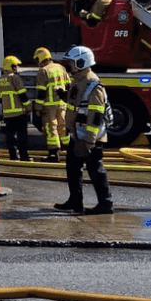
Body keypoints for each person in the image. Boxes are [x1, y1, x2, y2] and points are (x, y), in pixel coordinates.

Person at [54, 45, 113, 215]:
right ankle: (75, 201)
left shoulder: (93, 84)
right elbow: (77, 103)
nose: (69, 66)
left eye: (71, 63)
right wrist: (64, 95)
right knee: (73, 168)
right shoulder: (78, 81)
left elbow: (96, 115)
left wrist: (89, 140)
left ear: (81, 63)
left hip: (89, 138)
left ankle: (105, 204)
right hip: (77, 135)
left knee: (96, 170)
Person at [32, 47, 71, 162]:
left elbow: (41, 92)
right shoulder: (61, 67)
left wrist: (38, 108)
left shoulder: (43, 71)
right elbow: (69, 85)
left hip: (49, 107)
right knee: (63, 127)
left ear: (40, 58)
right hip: (62, 105)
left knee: (51, 128)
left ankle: (53, 154)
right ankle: (69, 152)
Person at [0, 55, 31, 161]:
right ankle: (24, 157)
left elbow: (0, 99)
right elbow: (22, 95)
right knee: (22, 136)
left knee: (10, 136)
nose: (17, 68)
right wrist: (29, 107)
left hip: (7, 114)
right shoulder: (15, 78)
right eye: (16, 66)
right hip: (19, 113)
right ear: (11, 66)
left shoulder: (0, 80)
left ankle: (13, 156)